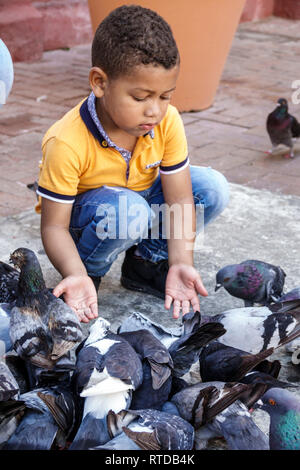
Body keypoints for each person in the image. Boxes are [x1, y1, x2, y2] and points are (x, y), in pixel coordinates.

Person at [36, 5, 229, 323]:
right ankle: (89, 273)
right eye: (141, 97)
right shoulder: (66, 141)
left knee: (212, 188)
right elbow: (54, 226)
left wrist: (181, 260)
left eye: (165, 96)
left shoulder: (167, 123)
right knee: (129, 211)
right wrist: (75, 272)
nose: (155, 111)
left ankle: (146, 261)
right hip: (88, 220)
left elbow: (179, 199)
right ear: (99, 82)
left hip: (133, 206)